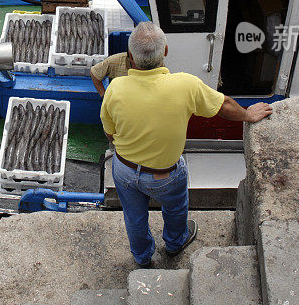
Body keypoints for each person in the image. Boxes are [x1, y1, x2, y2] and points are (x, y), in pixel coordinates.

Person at [100, 22, 273, 267]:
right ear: (166, 51)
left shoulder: (115, 89)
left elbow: (110, 134)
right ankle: (174, 242)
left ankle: (142, 257)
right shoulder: (186, 85)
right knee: (175, 207)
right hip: (164, 175)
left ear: (130, 57)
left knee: (134, 216)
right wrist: (247, 114)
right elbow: (223, 105)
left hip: (125, 170)